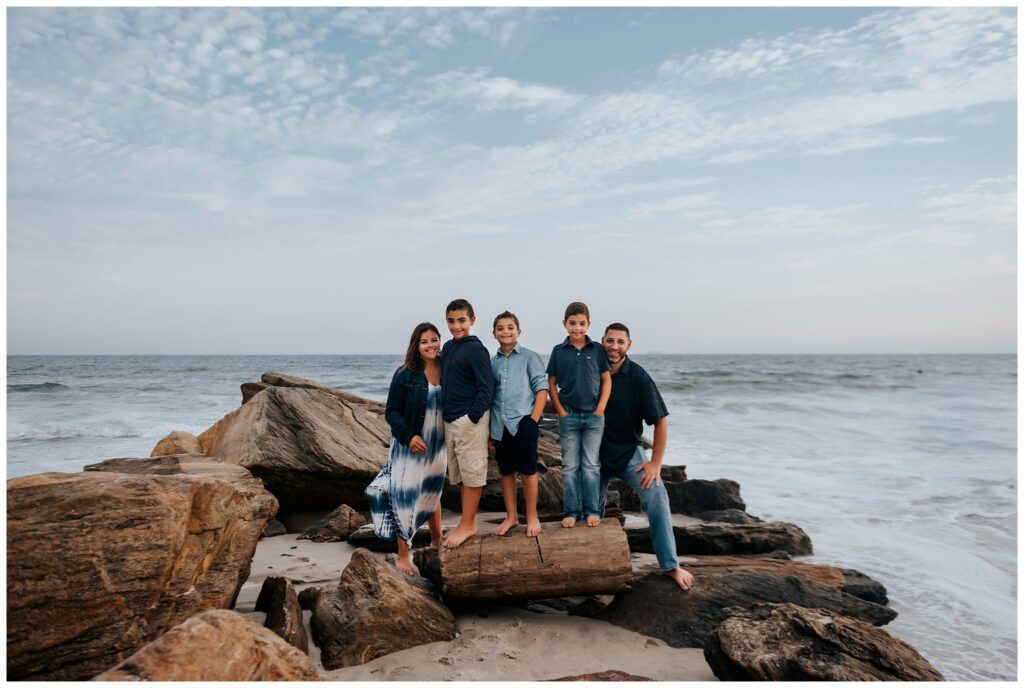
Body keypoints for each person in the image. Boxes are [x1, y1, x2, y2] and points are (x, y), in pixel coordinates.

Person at [598, 322, 694, 592]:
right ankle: (597, 568)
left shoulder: (638, 377)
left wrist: (655, 464)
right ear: (602, 341)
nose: (614, 346)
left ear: (628, 345)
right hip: (595, 455)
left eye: (620, 342)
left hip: (630, 452)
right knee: (591, 513)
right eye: (610, 341)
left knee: (658, 497)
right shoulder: (591, 370)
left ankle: (671, 565)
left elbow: (660, 421)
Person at [366, 322, 445, 576]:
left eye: (434, 339)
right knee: (404, 495)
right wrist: (409, 436)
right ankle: (403, 554)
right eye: (424, 341)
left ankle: (436, 541)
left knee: (432, 492)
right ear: (416, 346)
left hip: (437, 445)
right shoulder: (405, 374)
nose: (430, 345)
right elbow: (392, 412)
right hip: (409, 446)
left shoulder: (448, 368)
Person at [547, 301, 611, 528]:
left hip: (594, 417)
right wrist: (561, 411)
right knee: (571, 466)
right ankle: (572, 511)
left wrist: (601, 407)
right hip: (569, 417)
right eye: (572, 323)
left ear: (588, 324)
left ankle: (592, 510)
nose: (577, 328)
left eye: (582, 323)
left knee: (592, 465)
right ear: (565, 324)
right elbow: (551, 383)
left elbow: (606, 379)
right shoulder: (558, 351)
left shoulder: (597, 350)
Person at [439, 298, 494, 548]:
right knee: (460, 474)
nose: (456, 326)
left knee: (472, 473)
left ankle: (470, 524)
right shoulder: (449, 347)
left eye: (461, 320)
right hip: (450, 419)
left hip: (468, 420)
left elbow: (486, 387)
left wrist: (472, 417)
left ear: (472, 320)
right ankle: (464, 520)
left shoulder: (476, 349)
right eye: (451, 321)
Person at [489, 311, 549, 538]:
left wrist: (533, 419)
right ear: (494, 334)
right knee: (505, 471)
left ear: (518, 331)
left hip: (524, 421)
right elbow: (491, 396)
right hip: (499, 424)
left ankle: (532, 516)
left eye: (510, 327)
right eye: (501, 328)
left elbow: (541, 388)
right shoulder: (492, 363)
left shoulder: (530, 357)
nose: (506, 331)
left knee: (527, 469)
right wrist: (489, 432)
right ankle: (511, 516)